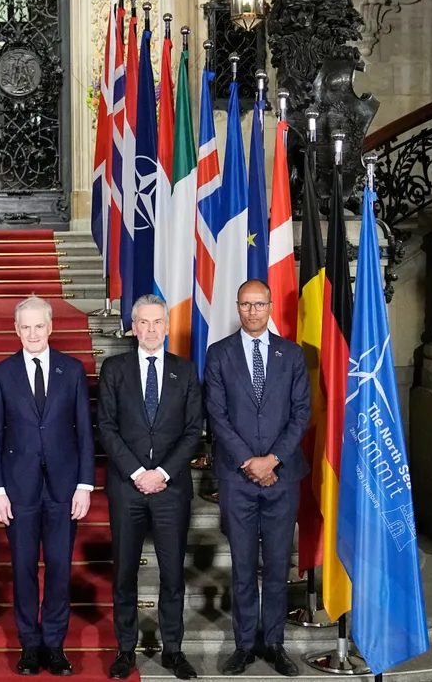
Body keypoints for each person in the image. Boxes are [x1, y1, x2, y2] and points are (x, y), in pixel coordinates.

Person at [204, 280, 310, 677]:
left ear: (269, 307)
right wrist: (251, 461)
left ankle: (276, 644)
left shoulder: (292, 355)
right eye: (246, 305)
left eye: (259, 304)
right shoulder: (219, 355)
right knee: (244, 567)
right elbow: (216, 415)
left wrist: (273, 460)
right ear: (238, 307)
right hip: (238, 477)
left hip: (282, 478)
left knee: (278, 566)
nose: (252, 311)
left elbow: (302, 412)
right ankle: (245, 645)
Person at [0, 296, 95, 677]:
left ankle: (55, 645)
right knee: (24, 569)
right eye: (25, 327)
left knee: (61, 569)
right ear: (16, 331)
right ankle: (30, 645)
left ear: (51, 328)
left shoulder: (73, 370)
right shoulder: (2, 373)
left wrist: (85, 485)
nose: (32, 333)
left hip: (65, 489)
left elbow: (85, 431)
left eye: (39, 326)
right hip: (18, 490)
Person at [98, 295, 203, 680]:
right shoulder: (114, 368)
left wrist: (163, 473)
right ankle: (125, 649)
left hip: (171, 490)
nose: (152, 329)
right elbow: (105, 427)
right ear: (133, 325)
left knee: (172, 574)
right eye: (144, 322)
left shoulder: (186, 371)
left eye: (158, 322)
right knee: (124, 572)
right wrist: (137, 471)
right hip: (127, 488)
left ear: (167, 325)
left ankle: (173, 649)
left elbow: (194, 432)